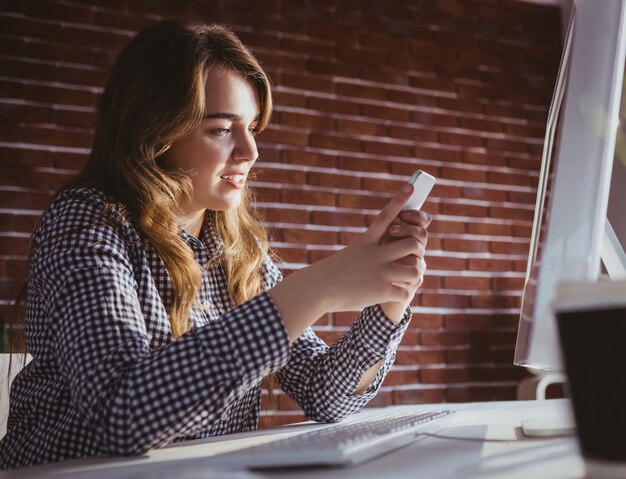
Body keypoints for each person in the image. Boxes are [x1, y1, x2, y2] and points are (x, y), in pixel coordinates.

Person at [0, 20, 430, 469]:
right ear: (156, 131)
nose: (250, 152)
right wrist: (315, 289)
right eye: (222, 129)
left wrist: (390, 295)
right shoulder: (87, 223)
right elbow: (121, 411)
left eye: (252, 128)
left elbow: (327, 396)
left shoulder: (240, 253)